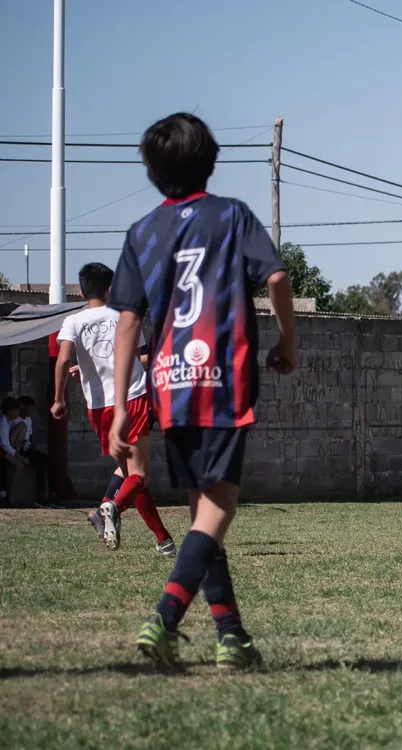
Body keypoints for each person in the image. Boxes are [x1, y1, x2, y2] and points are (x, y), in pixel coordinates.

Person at [106, 112, 298, 671]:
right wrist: (289, 340)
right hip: (223, 377)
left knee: (200, 515)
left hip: (168, 385)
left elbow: (127, 324)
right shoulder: (231, 216)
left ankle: (232, 637)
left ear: (150, 171)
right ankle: (163, 619)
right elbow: (278, 278)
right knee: (217, 512)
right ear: (212, 160)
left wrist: (122, 406)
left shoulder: (140, 232)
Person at [51, 263, 175, 556]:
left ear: (81, 291)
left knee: (128, 470)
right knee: (140, 474)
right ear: (111, 290)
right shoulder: (124, 315)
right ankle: (113, 506)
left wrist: (59, 399)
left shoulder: (73, 321)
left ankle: (162, 540)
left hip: (98, 406)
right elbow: (139, 357)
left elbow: (62, 360)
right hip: (131, 396)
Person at [16, 396, 52, 505]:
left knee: (46, 459)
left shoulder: (29, 420)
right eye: (30, 408)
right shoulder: (16, 420)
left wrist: (34, 448)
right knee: (41, 461)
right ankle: (40, 494)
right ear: (23, 407)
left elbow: (30, 437)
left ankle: (46, 493)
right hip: (19, 448)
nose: (32, 411)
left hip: (28, 447)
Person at [0, 397, 27, 504]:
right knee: (19, 465)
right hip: (2, 450)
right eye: (17, 410)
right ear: (11, 410)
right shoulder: (2, 422)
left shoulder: (8, 422)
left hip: (4, 450)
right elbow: (5, 445)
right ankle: (10, 494)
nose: (19, 412)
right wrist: (18, 456)